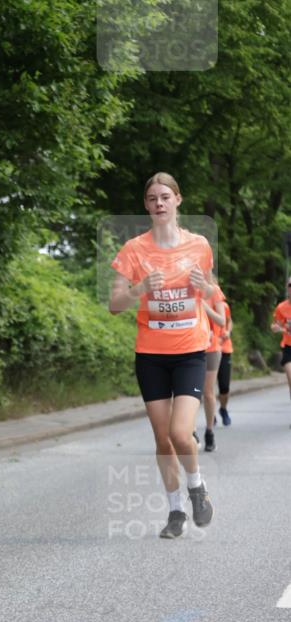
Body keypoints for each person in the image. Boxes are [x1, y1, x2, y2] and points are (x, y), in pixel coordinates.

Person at [109, 172, 216, 539]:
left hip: (190, 352)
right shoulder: (133, 250)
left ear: (177, 200)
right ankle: (175, 512)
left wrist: (205, 287)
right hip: (151, 355)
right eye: (153, 198)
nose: (159, 203)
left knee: (180, 433)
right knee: (162, 439)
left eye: (165, 197)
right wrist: (139, 288)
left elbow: (211, 292)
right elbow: (114, 305)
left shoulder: (199, 245)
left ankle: (197, 487)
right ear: (146, 205)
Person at [201, 280, 226, 451]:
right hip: (190, 348)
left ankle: (209, 432)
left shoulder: (214, 290)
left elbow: (222, 320)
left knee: (207, 392)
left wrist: (203, 306)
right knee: (190, 393)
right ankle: (191, 432)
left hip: (211, 348)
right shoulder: (183, 287)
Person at [271, 279, 291, 415]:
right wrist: (276, 327)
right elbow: (275, 324)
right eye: (290, 286)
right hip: (288, 346)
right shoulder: (281, 307)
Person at [217, 299, 233, 425]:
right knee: (206, 388)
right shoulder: (200, 304)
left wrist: (228, 331)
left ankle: (223, 408)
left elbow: (229, 320)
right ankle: (210, 413)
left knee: (224, 386)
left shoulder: (223, 305)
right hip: (206, 350)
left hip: (224, 349)